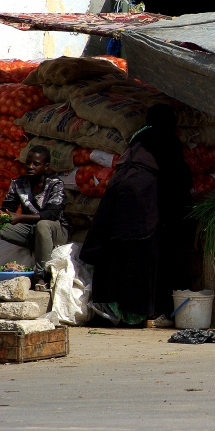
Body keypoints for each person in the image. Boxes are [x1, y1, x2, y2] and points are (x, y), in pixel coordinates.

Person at [81, 104, 193, 326]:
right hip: (140, 193)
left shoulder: (138, 138)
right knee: (142, 249)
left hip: (117, 188)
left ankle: (115, 307)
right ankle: (140, 312)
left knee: (116, 243)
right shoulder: (168, 139)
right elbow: (178, 178)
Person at [0, 146, 69, 291]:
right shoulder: (18, 183)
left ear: (46, 166)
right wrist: (4, 215)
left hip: (55, 230)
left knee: (43, 225)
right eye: (28, 163)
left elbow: (52, 214)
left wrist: (20, 217)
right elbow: (8, 208)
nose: (30, 167)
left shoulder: (55, 184)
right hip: (30, 231)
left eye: (36, 164)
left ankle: (41, 276)